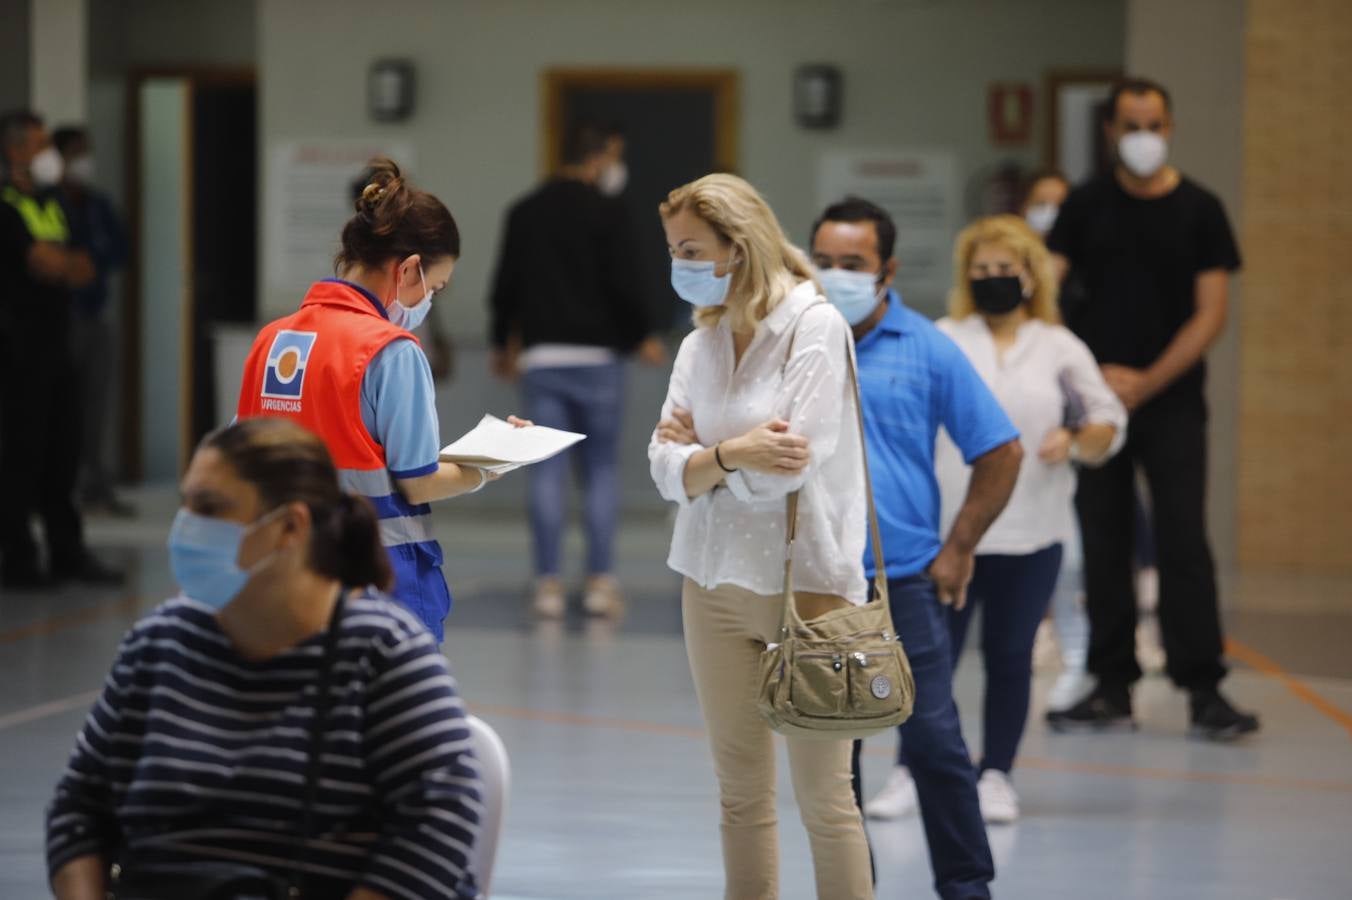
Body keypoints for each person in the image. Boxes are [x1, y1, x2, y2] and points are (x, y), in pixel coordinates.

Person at [46, 417, 482, 900]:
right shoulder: (159, 643)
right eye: (187, 505)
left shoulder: (385, 655)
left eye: (211, 509)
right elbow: (79, 808)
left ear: (289, 527)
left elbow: (439, 828)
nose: (187, 528)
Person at [649, 174, 873, 900]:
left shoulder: (815, 326)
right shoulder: (700, 341)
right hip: (710, 580)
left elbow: (792, 465)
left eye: (690, 248)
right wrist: (730, 455)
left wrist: (702, 462)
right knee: (739, 795)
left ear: (737, 247)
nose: (678, 263)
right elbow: (661, 467)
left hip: (809, 588)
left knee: (826, 802)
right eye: (673, 249)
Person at [812, 198, 1020, 898]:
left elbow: (1000, 449)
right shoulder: (793, 340)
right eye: (824, 262)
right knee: (834, 763)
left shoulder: (926, 346)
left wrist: (959, 547)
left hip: (902, 585)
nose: (835, 275)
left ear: (888, 269)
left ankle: (967, 888)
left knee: (935, 746)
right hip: (815, 585)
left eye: (853, 265)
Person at [1045, 77, 1260, 740]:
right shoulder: (1084, 206)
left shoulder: (1201, 209)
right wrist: (1090, 381)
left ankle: (1203, 688)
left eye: (1155, 124)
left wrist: (1146, 380)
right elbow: (1048, 293)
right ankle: (1112, 686)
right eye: (1132, 124)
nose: (1144, 136)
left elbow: (1211, 313)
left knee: (1181, 540)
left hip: (1170, 403)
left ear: (1170, 127)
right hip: (1095, 402)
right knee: (1104, 538)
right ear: (1112, 130)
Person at [237, 157, 518, 643]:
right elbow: (418, 482)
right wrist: (492, 465)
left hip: (276, 575)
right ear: (409, 269)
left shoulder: (272, 340)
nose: (431, 300)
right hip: (373, 581)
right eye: (437, 287)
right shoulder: (390, 350)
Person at [933, 214, 1127, 822]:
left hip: (1032, 531)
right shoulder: (943, 337)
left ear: (1029, 276)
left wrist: (1075, 440)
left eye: (1005, 270)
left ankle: (997, 773)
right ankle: (921, 769)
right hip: (948, 532)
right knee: (930, 657)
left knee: (1010, 655)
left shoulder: (1060, 346)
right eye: (982, 270)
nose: (993, 280)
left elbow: (1108, 421)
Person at [489, 120, 665, 620]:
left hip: (542, 358)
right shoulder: (610, 212)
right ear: (604, 154)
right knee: (601, 470)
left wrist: (504, 342)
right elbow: (626, 282)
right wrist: (641, 334)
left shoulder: (524, 211)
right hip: (600, 360)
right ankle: (598, 583)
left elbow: (506, 285)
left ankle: (546, 584)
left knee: (545, 470)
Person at [0, 110, 120, 588]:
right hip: (16, 350)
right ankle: (19, 558)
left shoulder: (52, 203)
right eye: (39, 143)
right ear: (16, 151)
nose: (49, 153)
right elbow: (41, 262)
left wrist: (60, 263)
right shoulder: (7, 205)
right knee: (21, 455)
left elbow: (83, 266)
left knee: (63, 454)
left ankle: (67, 551)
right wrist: (59, 263)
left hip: (58, 346)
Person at [52, 125, 134, 518]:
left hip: (95, 316)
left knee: (95, 408)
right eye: (77, 152)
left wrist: (88, 262)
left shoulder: (98, 205)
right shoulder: (51, 203)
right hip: (59, 321)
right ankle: (56, 489)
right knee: (58, 409)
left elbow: (119, 250)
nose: (85, 161)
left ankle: (95, 486)